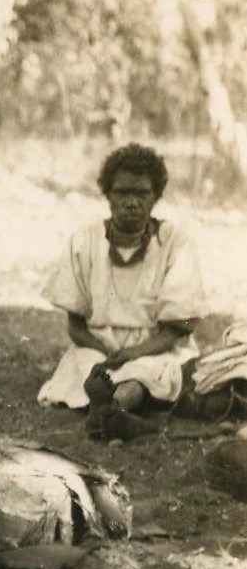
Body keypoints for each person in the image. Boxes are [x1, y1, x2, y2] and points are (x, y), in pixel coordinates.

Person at [37, 143, 206, 440]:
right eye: (122, 193)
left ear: (156, 197)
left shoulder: (174, 241)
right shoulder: (85, 240)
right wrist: (106, 352)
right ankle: (110, 407)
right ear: (107, 195)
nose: (131, 203)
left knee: (147, 373)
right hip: (99, 346)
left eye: (141, 194)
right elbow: (75, 327)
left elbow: (175, 331)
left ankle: (110, 407)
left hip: (156, 348)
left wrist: (131, 353)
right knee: (85, 367)